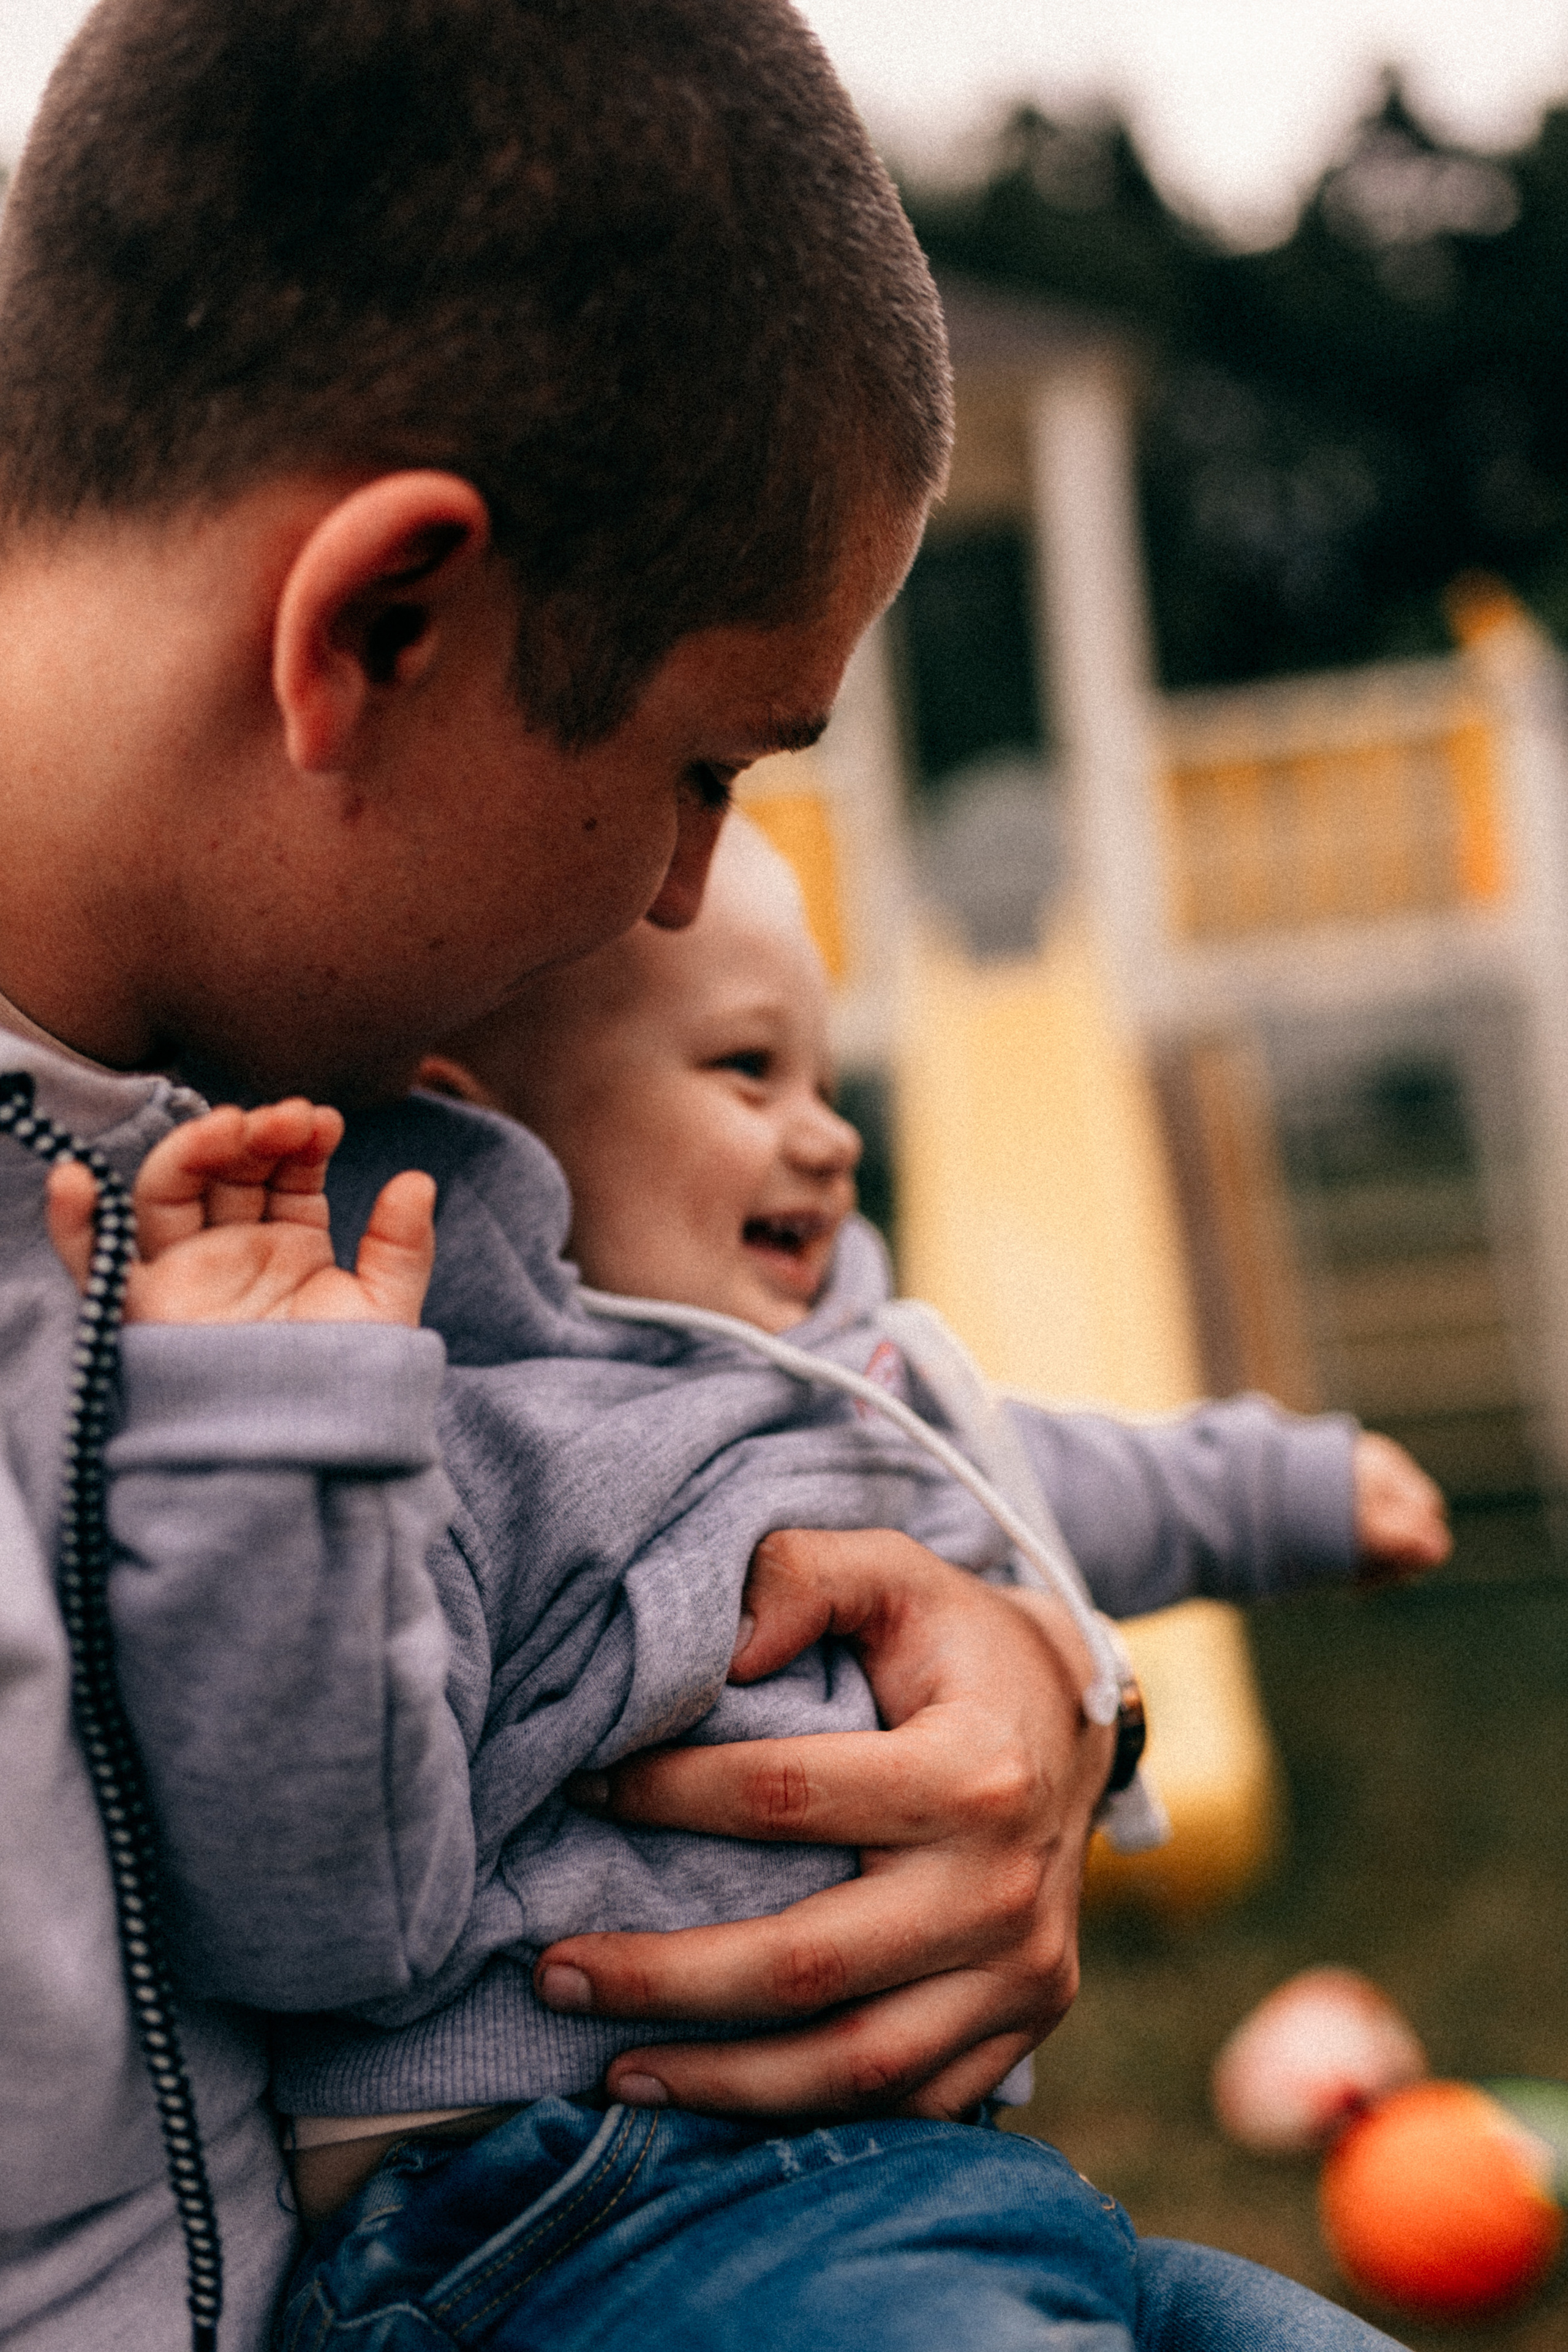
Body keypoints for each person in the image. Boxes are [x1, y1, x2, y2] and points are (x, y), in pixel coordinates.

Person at [0, 2, 979, 2343]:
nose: (674, 899)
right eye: (706, 766)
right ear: (381, 626)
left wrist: (1024, 1695)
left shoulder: (362, 1133)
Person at [263, 815, 1446, 2342]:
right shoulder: (462, 1440)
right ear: (474, 1138)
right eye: (748, 1070)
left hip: (911, 2178)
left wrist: (1279, 1489)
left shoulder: (855, 1386)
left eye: (826, 1082)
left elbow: (1051, 1481)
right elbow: (322, 1813)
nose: (827, 1134)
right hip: (576, 2201)